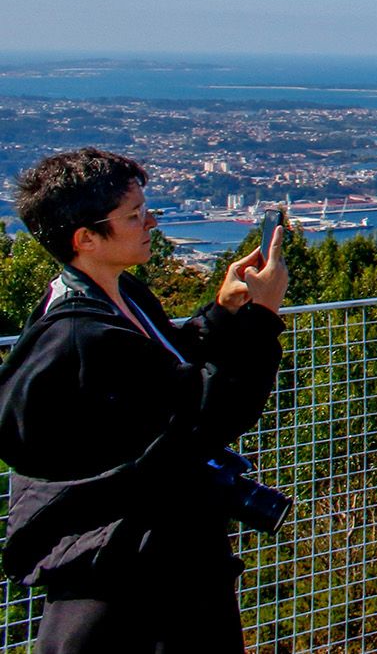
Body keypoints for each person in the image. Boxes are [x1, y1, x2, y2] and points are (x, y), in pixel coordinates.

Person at [0, 148, 288, 654]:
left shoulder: (118, 294)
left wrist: (223, 310)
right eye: (133, 216)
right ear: (85, 238)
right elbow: (211, 411)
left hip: (162, 550)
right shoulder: (80, 335)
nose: (151, 221)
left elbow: (171, 367)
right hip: (125, 567)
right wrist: (264, 315)